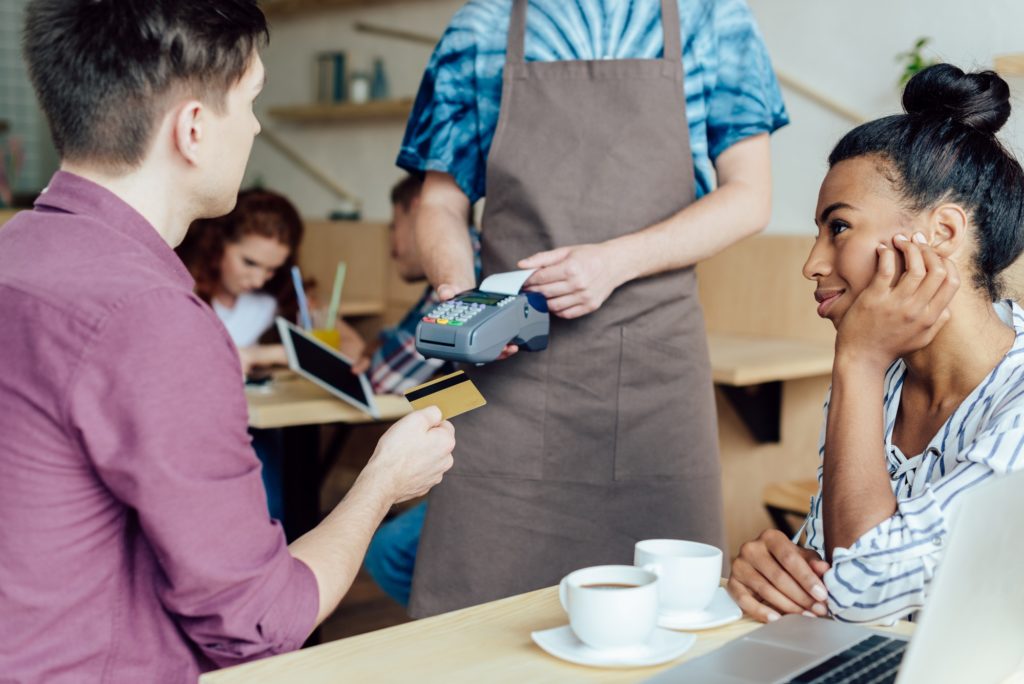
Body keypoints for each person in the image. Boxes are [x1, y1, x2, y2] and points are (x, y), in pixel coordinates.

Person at [0, 2, 455, 682]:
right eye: (250, 102)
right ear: (192, 128)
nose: (256, 126)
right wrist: (384, 480)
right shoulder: (154, 318)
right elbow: (260, 624)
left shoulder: (16, 253)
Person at [399, 0, 788, 615]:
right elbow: (439, 203)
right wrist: (460, 295)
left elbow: (750, 197)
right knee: (472, 595)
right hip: (507, 370)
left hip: (653, 376)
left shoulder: (711, 18)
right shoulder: (482, 26)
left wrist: (612, 262)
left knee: (667, 615)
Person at [727, 64, 1024, 626]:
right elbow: (832, 566)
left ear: (942, 233)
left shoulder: (874, 368)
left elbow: (859, 588)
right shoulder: (886, 380)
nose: (812, 264)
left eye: (838, 227)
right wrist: (774, 570)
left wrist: (858, 362)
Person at [361, 174, 480, 607]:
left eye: (394, 225)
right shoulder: (471, 268)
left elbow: (387, 378)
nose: (393, 243)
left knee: (388, 552)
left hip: (492, 470)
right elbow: (405, 340)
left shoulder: (459, 280)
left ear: (419, 213)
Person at [177, 188, 364, 376]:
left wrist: (265, 355)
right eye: (249, 263)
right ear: (217, 244)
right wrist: (286, 353)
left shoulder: (279, 292)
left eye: (271, 269)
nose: (258, 281)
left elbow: (354, 350)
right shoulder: (182, 288)